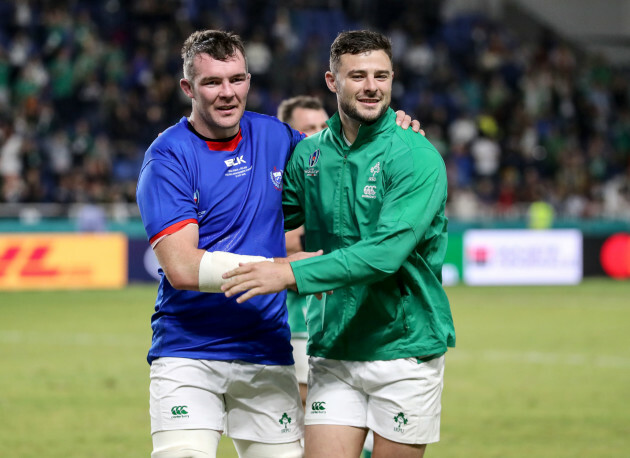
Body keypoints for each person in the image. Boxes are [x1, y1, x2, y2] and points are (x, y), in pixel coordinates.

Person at [136, 29, 421, 458]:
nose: (227, 93)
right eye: (212, 82)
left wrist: (392, 133)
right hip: (189, 352)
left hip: (266, 351)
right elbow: (181, 266)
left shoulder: (275, 137)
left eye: (236, 79)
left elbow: (342, 158)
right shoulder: (168, 157)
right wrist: (282, 271)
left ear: (249, 81)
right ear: (187, 88)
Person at [222, 30, 456, 458]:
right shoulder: (310, 156)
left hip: (403, 352)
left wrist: (289, 271)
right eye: (358, 75)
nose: (372, 86)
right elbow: (262, 222)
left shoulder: (415, 155)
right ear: (332, 81)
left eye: (381, 75)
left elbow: (385, 255)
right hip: (334, 347)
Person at [276, 95, 329, 408]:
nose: (320, 133)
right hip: (294, 319)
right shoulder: (283, 177)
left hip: (333, 318)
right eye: (309, 128)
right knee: (306, 408)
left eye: (324, 125)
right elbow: (288, 242)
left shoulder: (333, 172)